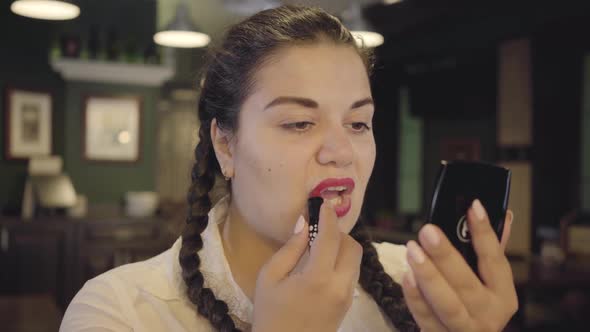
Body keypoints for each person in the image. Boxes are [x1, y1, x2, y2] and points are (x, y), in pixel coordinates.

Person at [60, 5, 517, 332]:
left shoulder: (419, 290)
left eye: (358, 123)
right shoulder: (120, 311)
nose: (341, 152)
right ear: (225, 143)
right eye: (299, 122)